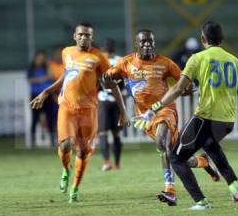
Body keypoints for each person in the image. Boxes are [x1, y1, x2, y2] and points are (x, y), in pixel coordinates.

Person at [132, 21, 238, 210]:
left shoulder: (197, 58)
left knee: (176, 157)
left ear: (203, 39)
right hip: (227, 121)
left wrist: (154, 109)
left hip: (205, 117)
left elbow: (177, 89)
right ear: (222, 39)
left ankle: (201, 201)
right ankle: (235, 187)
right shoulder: (236, 61)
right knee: (210, 146)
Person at [104, 29, 220, 207]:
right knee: (176, 156)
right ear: (137, 44)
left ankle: (170, 190)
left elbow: (184, 83)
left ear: (154, 43)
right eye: (143, 41)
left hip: (165, 111)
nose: (147, 44)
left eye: (150, 41)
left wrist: (190, 89)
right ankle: (203, 161)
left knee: (161, 143)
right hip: (145, 117)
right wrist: (106, 80)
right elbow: (108, 80)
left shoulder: (166, 63)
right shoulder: (125, 63)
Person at [29, 23, 129, 203]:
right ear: (75, 36)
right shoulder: (67, 52)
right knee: (66, 145)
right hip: (67, 106)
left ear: (92, 37)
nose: (84, 38)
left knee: (83, 152)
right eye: (81, 35)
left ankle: (75, 188)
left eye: (87, 35)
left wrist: (123, 111)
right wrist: (46, 92)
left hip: (88, 109)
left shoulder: (99, 57)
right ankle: (66, 170)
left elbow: (111, 84)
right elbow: (66, 76)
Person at [98, 38, 125, 171]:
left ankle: (107, 162)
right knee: (116, 134)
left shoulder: (101, 61)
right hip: (116, 101)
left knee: (103, 133)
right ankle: (116, 163)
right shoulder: (121, 61)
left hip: (104, 100)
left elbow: (96, 81)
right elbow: (125, 81)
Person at [27, 50, 56, 148]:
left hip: (47, 96)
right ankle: (32, 142)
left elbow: (52, 76)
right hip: (35, 96)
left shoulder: (47, 67)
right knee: (35, 119)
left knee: (50, 119)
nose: (41, 60)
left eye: (42, 58)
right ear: (35, 58)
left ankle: (52, 141)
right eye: (39, 57)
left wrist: (48, 66)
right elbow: (30, 80)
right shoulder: (31, 69)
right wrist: (43, 78)